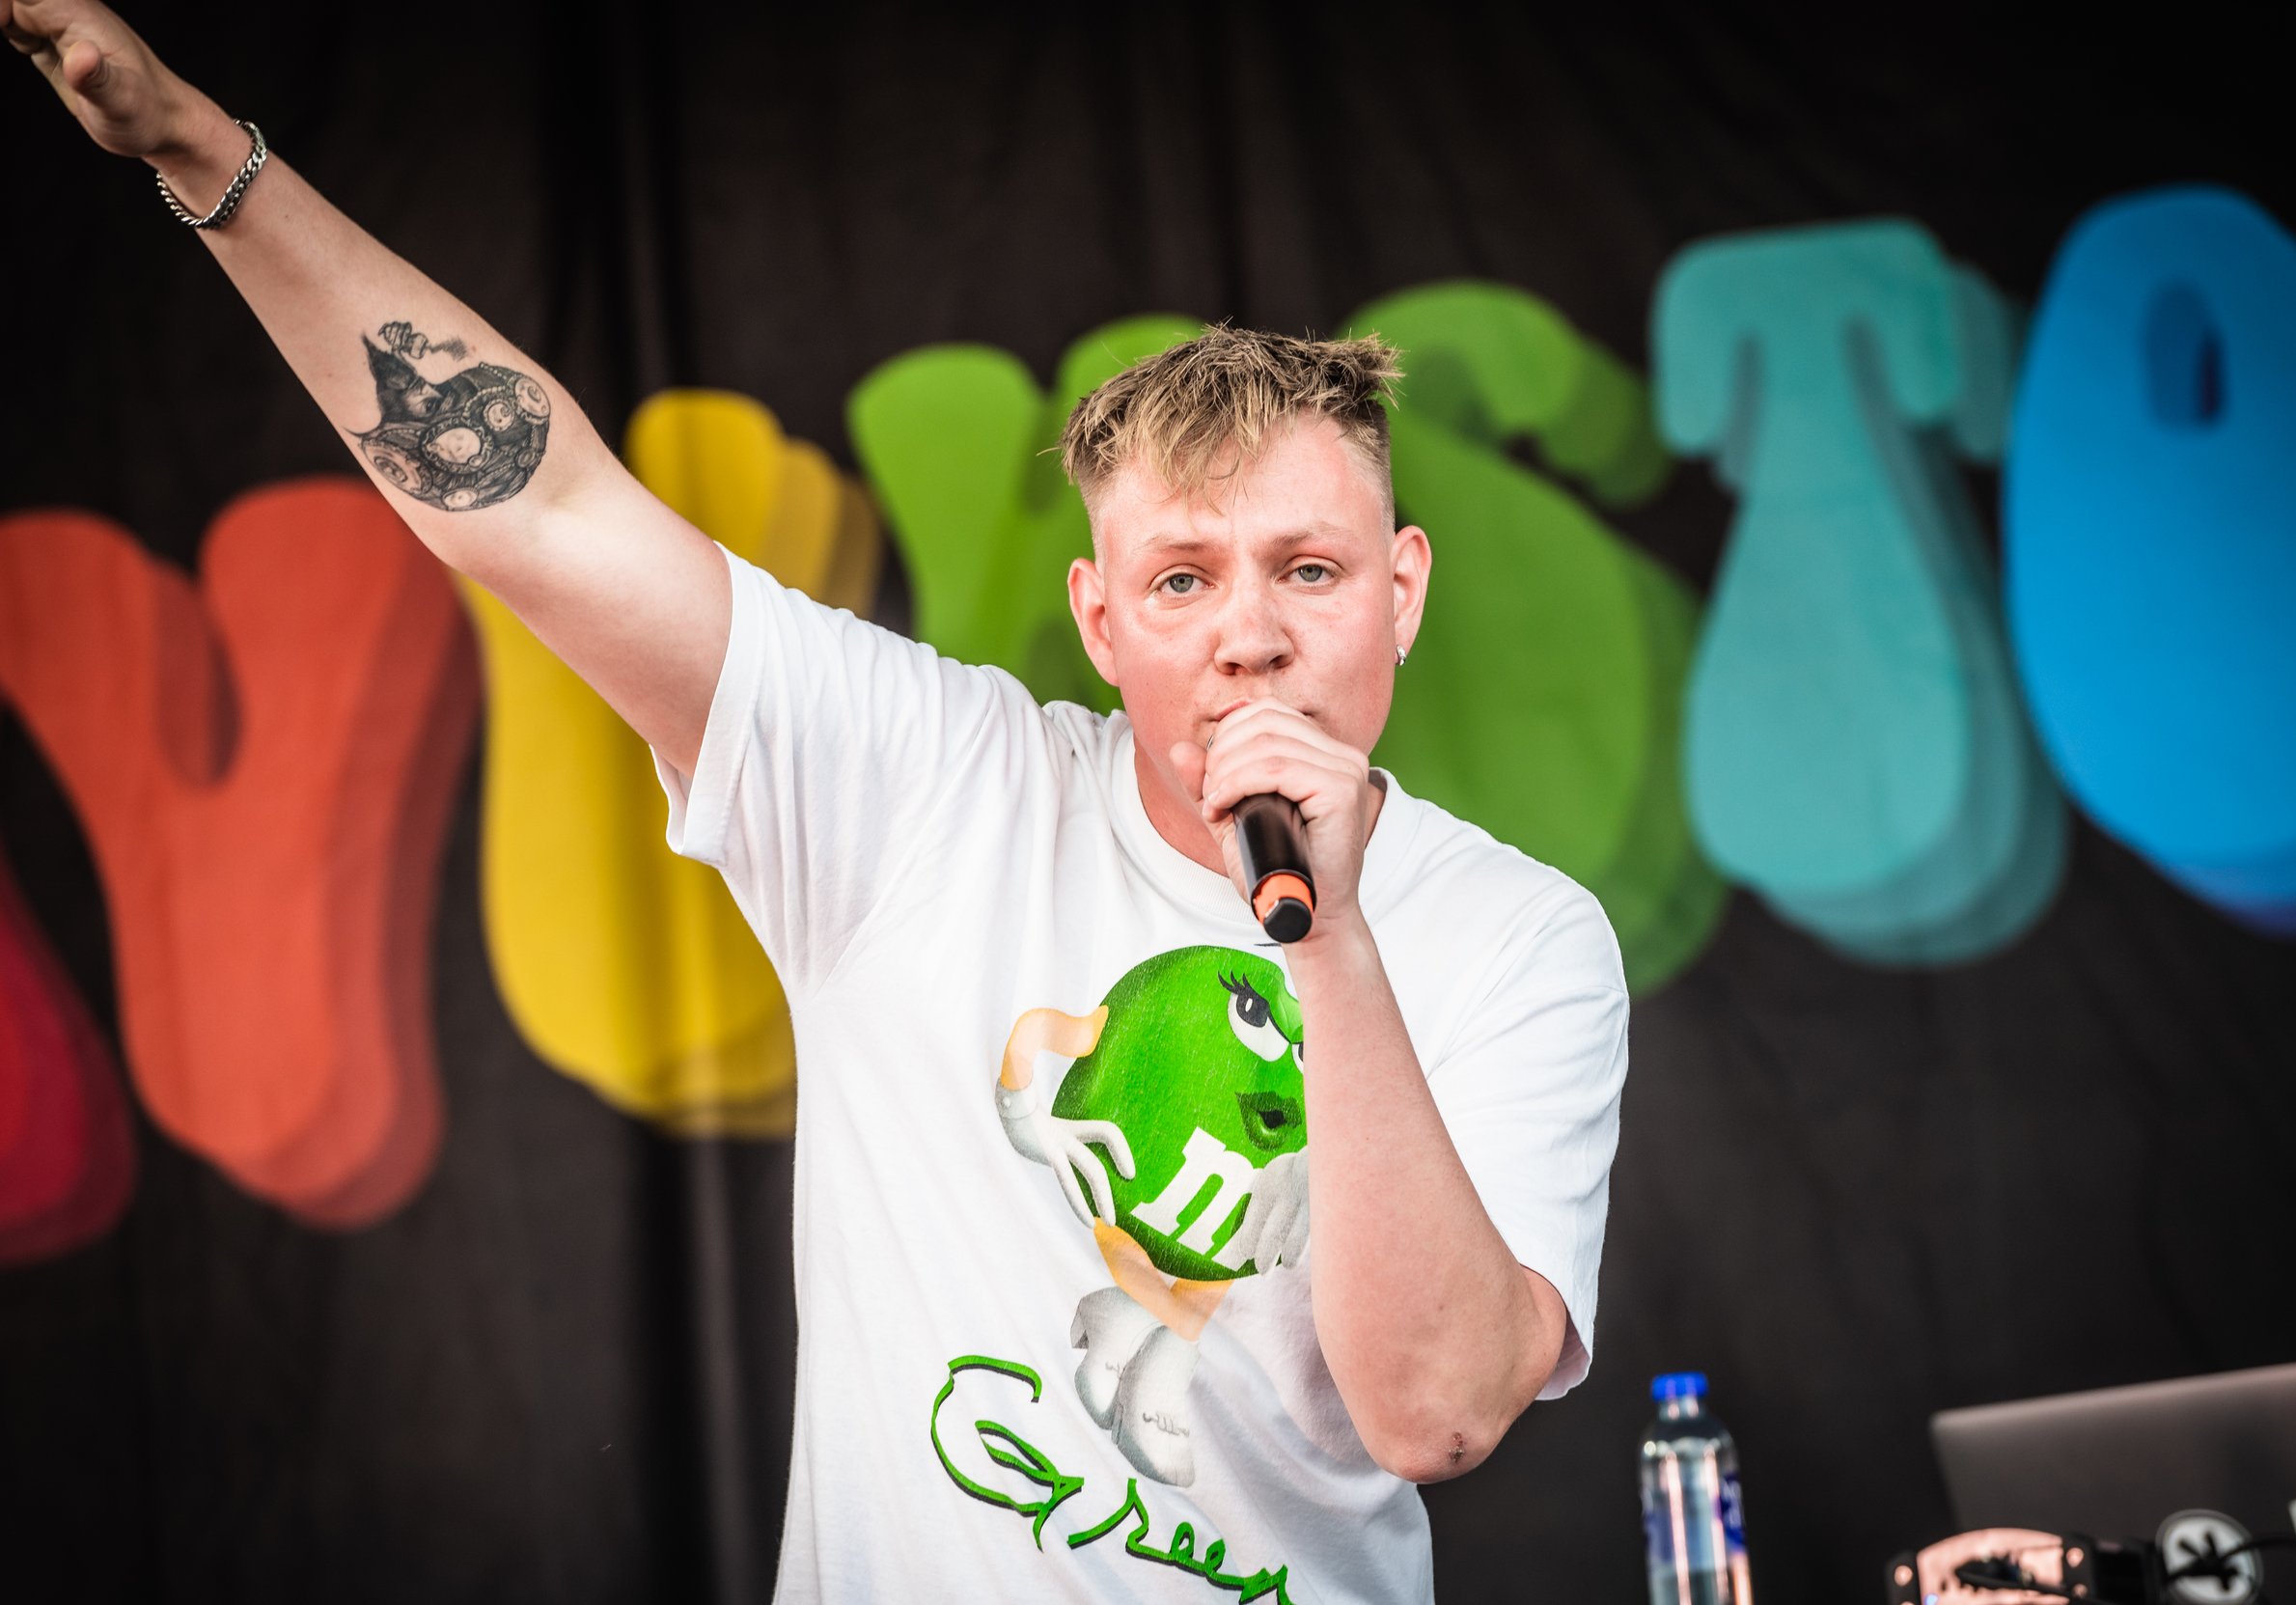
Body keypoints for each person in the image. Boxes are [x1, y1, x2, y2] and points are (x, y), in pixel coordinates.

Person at [7, 3, 1631, 1599]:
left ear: (1404, 592)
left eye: (1311, 570)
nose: (1249, 634)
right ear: (1099, 622)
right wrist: (198, 153)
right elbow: (541, 507)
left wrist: (1330, 942)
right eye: (1183, 578)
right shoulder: (932, 789)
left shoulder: (1520, 940)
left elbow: (1436, 1413)